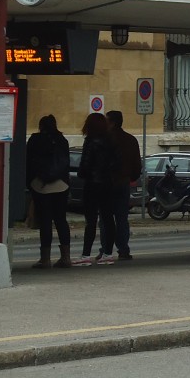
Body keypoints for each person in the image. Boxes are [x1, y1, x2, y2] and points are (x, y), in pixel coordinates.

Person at [24, 115, 72, 269]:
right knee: (61, 220)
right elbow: (66, 163)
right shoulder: (62, 140)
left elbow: (28, 163)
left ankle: (45, 259)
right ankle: (66, 257)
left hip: (40, 184)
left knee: (45, 221)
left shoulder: (35, 140)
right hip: (61, 185)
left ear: (41, 126)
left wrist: (30, 183)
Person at [74, 112, 118, 265]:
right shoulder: (111, 141)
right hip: (107, 184)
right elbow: (115, 164)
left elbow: (85, 165)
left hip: (92, 184)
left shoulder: (90, 141)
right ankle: (108, 253)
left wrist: (81, 174)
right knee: (108, 219)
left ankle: (86, 255)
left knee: (91, 221)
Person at [105, 110, 142, 261]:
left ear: (112, 122)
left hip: (108, 183)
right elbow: (137, 165)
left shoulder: (106, 140)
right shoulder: (131, 140)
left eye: (106, 121)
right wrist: (130, 177)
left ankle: (106, 250)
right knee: (122, 218)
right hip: (124, 182)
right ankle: (123, 249)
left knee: (106, 219)